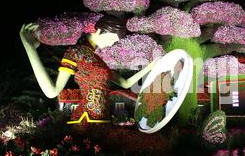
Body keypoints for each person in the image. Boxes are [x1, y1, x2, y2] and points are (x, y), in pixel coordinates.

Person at [19, 15, 156, 125]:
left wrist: (151, 66)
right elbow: (51, 91)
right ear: (100, 31)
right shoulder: (75, 52)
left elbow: (126, 83)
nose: (111, 44)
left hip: (104, 119)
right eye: (113, 39)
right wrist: (29, 47)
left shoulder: (98, 59)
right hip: (86, 120)